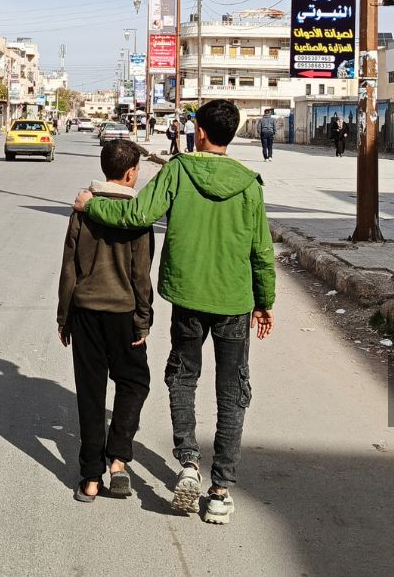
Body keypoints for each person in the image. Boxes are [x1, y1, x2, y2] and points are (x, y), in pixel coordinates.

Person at [74, 99, 275, 525]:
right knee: (232, 391)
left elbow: (136, 214)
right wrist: (265, 301)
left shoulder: (179, 171)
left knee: (183, 378)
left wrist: (91, 205)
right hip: (234, 302)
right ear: (232, 134)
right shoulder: (249, 183)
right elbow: (261, 251)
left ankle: (187, 462)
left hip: (187, 297)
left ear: (199, 131)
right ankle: (220, 489)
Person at [58, 139, 155, 503]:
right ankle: (118, 459)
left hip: (85, 313)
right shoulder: (136, 213)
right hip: (123, 315)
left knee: (90, 392)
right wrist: (143, 320)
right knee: (134, 383)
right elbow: (141, 273)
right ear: (131, 173)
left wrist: (64, 317)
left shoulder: (83, 208)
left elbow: (70, 265)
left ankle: (90, 479)